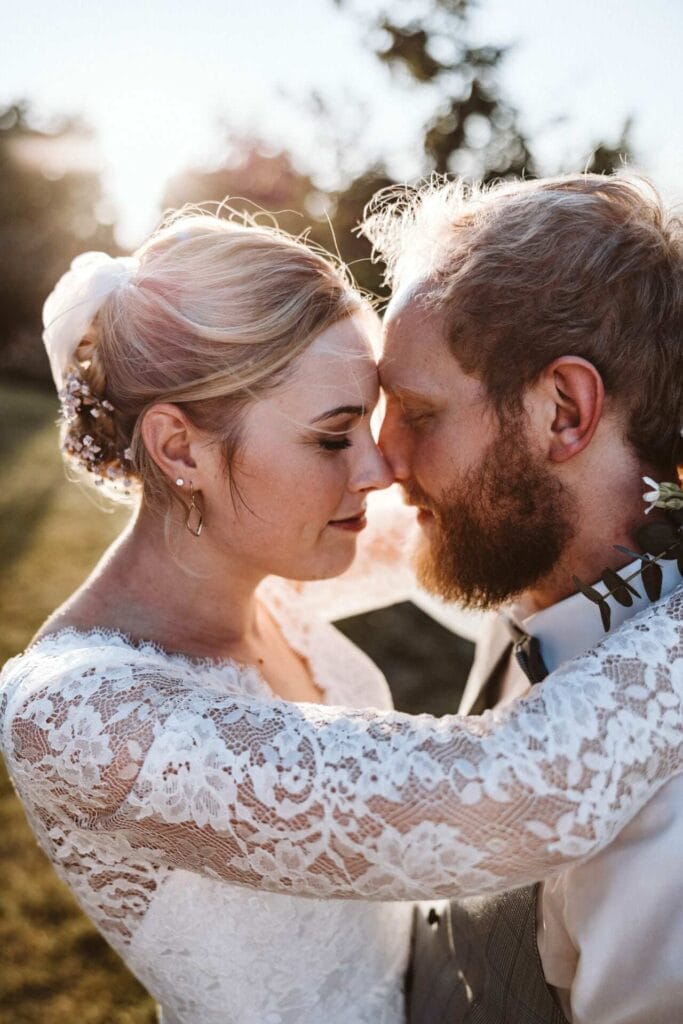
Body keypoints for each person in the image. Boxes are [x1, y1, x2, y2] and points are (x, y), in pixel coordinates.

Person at [0, 195, 680, 1024]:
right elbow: (497, 797)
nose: (379, 469)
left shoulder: (267, 567)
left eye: (390, 416)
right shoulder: (79, 717)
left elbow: (505, 511)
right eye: (332, 436)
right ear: (181, 450)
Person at [360, 173, 683, 1023]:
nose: (382, 457)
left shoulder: (670, 823)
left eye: (418, 414)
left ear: (562, 412)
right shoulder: (532, 586)